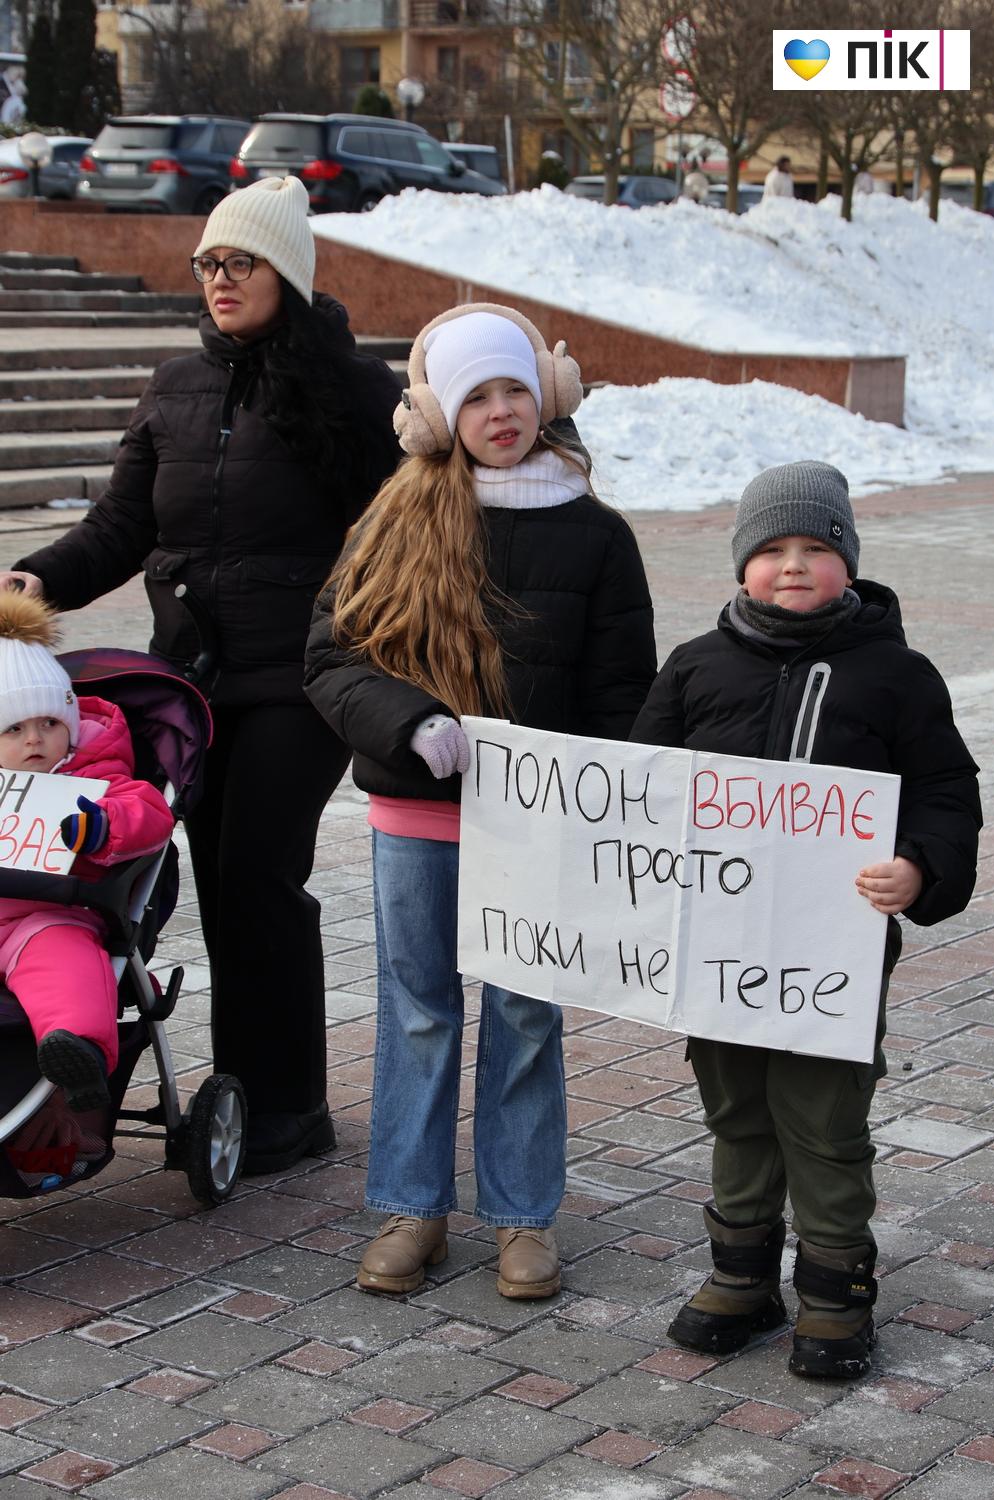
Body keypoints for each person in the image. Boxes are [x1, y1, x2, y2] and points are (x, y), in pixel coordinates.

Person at [0, 176, 403, 1174]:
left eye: (241, 263)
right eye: (208, 265)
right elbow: (121, 531)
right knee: (187, 879)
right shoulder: (175, 386)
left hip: (299, 678)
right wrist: (33, 577)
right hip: (187, 681)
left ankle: (286, 1109)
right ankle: (220, 1083)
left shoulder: (355, 393)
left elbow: (398, 539)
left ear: (288, 274)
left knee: (256, 877)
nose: (220, 281)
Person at [304, 304, 656, 1298]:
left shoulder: (595, 538)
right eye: (476, 397)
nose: (499, 413)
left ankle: (520, 1217)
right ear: (439, 415)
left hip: (536, 826)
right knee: (418, 1013)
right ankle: (411, 1207)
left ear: (543, 396)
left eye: (513, 390)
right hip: (416, 818)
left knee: (526, 1012)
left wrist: (599, 798)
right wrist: (408, 722)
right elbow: (331, 657)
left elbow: (623, 691)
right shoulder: (391, 519)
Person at [629, 461, 981, 1379]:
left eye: (816, 548)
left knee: (823, 1122)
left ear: (850, 564)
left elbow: (947, 790)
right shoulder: (696, 666)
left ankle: (835, 1293)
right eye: (773, 548)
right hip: (722, 946)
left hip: (836, 950)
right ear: (742, 563)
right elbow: (642, 788)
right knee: (737, 1109)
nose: (793, 565)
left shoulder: (897, 675)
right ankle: (741, 1280)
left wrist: (920, 865)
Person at [0, 590, 173, 1125]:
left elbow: (146, 812)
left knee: (67, 965)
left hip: (50, 915)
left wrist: (100, 828)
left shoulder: (92, 779)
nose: (35, 740)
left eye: (49, 724)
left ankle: (80, 1052)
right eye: (13, 728)